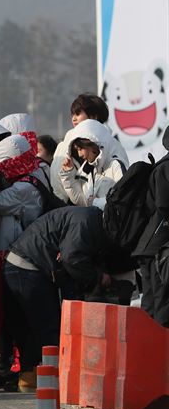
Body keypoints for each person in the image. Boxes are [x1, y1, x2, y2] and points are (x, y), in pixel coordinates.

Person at [4, 206, 110, 392]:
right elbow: (72, 257)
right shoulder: (88, 222)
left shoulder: (85, 217)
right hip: (28, 266)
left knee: (34, 327)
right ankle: (53, 379)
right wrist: (96, 277)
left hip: (21, 263)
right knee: (48, 327)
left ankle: (30, 376)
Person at [0, 134, 46, 391]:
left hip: (19, 261)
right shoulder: (36, 176)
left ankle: (27, 372)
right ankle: (25, 371)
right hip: (26, 258)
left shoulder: (23, 188)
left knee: (20, 318)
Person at [51, 93, 129, 201]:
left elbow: (124, 189)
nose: (73, 119)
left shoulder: (113, 147)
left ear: (94, 116)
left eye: (78, 114)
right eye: (72, 114)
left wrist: (98, 204)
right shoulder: (66, 143)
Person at [133, 124, 169, 326]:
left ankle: (147, 350)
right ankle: (159, 353)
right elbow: (164, 205)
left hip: (150, 245)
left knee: (151, 302)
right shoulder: (166, 167)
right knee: (160, 301)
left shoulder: (162, 166)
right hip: (158, 248)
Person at [59, 119, 127, 209]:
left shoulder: (115, 165)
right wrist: (68, 175)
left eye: (81, 149)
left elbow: (124, 197)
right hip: (95, 222)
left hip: (114, 222)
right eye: (77, 150)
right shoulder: (85, 169)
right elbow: (82, 201)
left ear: (93, 144)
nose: (79, 154)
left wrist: (95, 202)